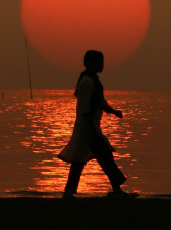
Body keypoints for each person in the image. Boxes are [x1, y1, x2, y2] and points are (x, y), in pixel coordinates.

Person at [58, 50, 136, 199]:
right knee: (103, 157)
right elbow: (86, 107)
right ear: (91, 63)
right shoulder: (88, 81)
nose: (102, 65)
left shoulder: (91, 80)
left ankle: (69, 192)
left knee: (82, 161)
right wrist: (89, 130)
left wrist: (112, 111)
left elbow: (100, 101)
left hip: (89, 127)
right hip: (88, 128)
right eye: (100, 61)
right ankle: (117, 191)